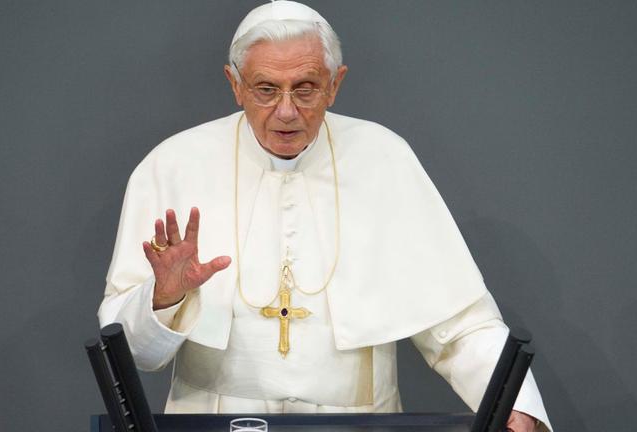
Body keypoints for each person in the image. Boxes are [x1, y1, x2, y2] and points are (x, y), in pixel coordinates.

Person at [98, 2, 551, 431]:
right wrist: (163, 300)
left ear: (335, 84)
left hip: (360, 423)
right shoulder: (173, 165)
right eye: (266, 89)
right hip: (216, 421)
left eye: (306, 88)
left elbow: (460, 324)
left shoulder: (384, 160)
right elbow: (131, 350)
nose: (287, 111)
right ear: (235, 85)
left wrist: (515, 405)